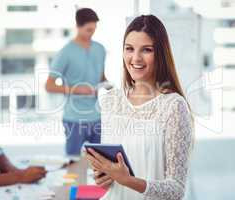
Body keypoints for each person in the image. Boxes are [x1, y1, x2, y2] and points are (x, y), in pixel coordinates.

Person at [86, 15, 194, 200]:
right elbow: (111, 173)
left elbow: (176, 190)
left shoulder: (174, 107)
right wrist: (104, 176)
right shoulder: (110, 101)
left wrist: (128, 180)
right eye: (129, 49)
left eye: (146, 50)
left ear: (160, 53)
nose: (135, 58)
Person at [46, 8, 107, 155]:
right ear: (78, 27)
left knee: (100, 162)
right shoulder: (66, 52)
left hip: (96, 117)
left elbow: (101, 77)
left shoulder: (100, 49)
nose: (91, 33)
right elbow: (49, 85)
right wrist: (76, 89)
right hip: (74, 119)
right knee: (72, 162)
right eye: (88, 30)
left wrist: (108, 86)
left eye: (94, 29)